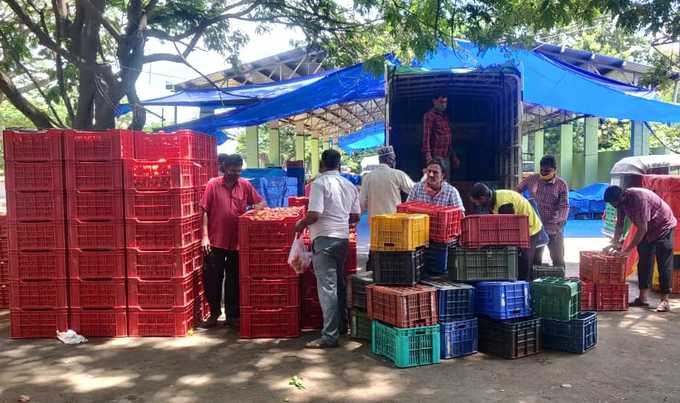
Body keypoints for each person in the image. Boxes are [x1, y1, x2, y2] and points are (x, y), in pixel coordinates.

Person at [294, 149, 361, 348]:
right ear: (339, 165)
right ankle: (340, 326)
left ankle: (329, 336)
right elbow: (356, 217)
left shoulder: (319, 183)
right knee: (337, 285)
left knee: (327, 288)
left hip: (324, 239)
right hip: (342, 240)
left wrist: (301, 224)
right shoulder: (349, 185)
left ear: (322, 165)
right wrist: (339, 221)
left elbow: (314, 214)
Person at [200, 154, 266, 328]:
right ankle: (214, 313)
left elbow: (260, 203)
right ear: (224, 168)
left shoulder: (244, 185)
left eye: (238, 171)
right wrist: (204, 236)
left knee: (234, 279)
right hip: (215, 240)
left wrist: (251, 212)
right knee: (212, 278)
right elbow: (205, 210)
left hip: (238, 241)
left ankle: (232, 315)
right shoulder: (213, 185)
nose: (236, 174)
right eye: (232, 170)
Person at [604, 185, 676, 312]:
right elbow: (619, 225)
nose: (613, 206)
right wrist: (614, 243)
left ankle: (665, 301)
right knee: (644, 262)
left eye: (613, 203)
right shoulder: (620, 204)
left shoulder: (639, 199)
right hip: (647, 230)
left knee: (663, 264)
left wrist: (626, 251)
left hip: (663, 227)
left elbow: (642, 229)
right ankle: (642, 299)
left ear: (622, 196)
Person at [469, 183, 545, 281]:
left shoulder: (504, 204)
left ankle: (525, 285)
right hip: (519, 228)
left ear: (482, 197)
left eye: (477, 202)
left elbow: (507, 230)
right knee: (517, 257)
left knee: (525, 260)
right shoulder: (493, 199)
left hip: (530, 229)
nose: (476, 204)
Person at [516, 155, 569, 266]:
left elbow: (564, 205)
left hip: (553, 227)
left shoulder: (561, 184)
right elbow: (517, 190)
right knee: (535, 260)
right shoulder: (532, 179)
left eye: (547, 171)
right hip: (535, 227)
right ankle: (535, 282)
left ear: (554, 170)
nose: (544, 173)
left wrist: (560, 222)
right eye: (542, 170)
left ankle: (560, 281)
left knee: (558, 259)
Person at [359, 145, 414, 219]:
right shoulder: (398, 174)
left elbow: (362, 202)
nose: (395, 161)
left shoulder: (367, 177)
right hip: (393, 220)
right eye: (394, 159)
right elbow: (414, 190)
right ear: (389, 159)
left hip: (375, 222)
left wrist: (357, 218)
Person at [422, 94, 459, 180]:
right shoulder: (429, 116)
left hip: (446, 156)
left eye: (445, 102)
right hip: (436, 157)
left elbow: (448, 139)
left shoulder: (444, 116)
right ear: (434, 102)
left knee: (446, 181)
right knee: (437, 181)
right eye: (441, 102)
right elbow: (426, 137)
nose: (444, 105)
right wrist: (429, 158)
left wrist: (453, 156)